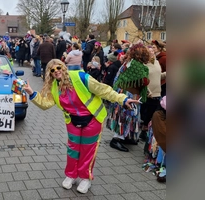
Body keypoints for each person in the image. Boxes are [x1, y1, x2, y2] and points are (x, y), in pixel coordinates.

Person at [23, 59, 139, 194]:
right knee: (73, 149)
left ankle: (86, 178)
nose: (56, 71)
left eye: (58, 68)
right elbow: (45, 104)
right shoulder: (54, 86)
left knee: (87, 150)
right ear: (50, 73)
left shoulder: (80, 77)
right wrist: (31, 93)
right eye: (52, 70)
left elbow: (103, 90)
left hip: (93, 119)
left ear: (63, 67)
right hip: (73, 121)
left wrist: (123, 99)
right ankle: (71, 175)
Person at [107, 43, 150, 152]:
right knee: (124, 116)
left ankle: (125, 136)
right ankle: (116, 139)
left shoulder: (132, 63)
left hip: (130, 93)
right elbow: (144, 80)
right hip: (127, 94)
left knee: (130, 117)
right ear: (141, 54)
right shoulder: (135, 64)